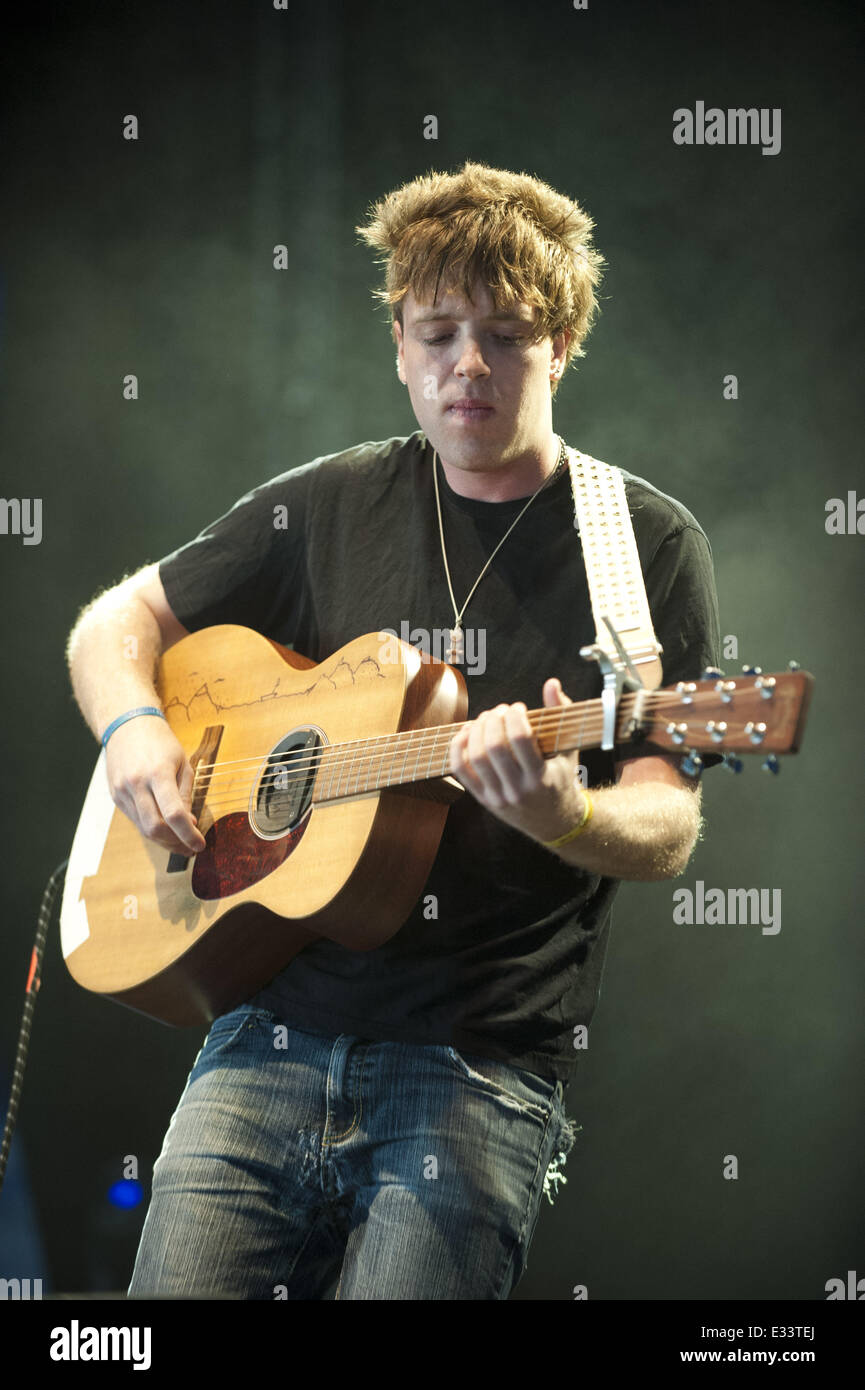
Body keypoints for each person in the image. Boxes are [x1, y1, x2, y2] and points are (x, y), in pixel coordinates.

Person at [66, 161, 721, 1300]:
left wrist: (567, 813)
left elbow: (666, 820)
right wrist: (130, 724)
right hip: (264, 1034)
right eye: (436, 332)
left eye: (505, 334)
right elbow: (115, 619)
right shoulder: (325, 500)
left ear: (560, 342)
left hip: (477, 1071)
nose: (466, 364)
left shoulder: (642, 546)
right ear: (400, 345)